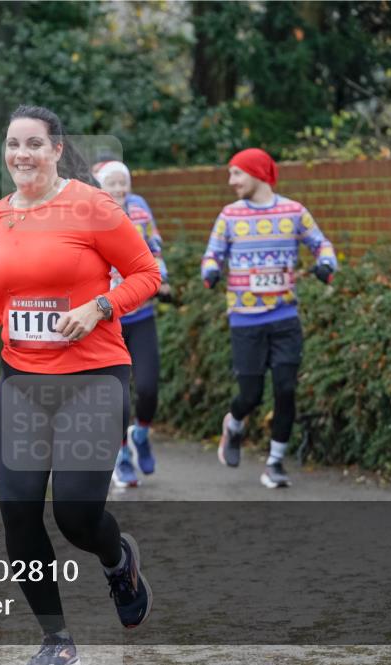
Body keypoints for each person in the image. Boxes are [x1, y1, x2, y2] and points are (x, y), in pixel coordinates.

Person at [0, 105, 159, 665]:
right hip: (24, 380)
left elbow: (147, 274)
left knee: (74, 514)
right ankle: (56, 640)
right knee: (18, 513)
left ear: (55, 149)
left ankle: (118, 560)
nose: (20, 154)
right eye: (12, 144)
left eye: (32, 144)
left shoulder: (93, 207)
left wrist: (100, 306)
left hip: (94, 377)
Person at [202, 148, 338, 489]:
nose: (231, 181)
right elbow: (213, 253)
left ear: (257, 173)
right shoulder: (230, 216)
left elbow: (322, 244)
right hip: (245, 321)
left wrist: (326, 265)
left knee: (286, 389)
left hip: (284, 317)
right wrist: (211, 271)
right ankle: (234, 424)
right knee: (250, 394)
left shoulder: (293, 212)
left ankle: (275, 462)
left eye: (236, 173)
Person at [92, 160, 171, 488]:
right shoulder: (90, 215)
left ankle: (140, 434)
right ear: (99, 187)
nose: (120, 189)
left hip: (140, 313)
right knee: (117, 394)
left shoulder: (138, 208)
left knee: (149, 387)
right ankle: (121, 455)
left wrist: (161, 278)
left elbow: (153, 247)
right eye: (112, 183)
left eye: (123, 182)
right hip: (107, 318)